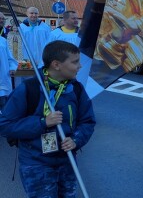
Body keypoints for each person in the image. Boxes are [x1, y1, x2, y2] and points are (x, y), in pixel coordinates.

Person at [0, 40, 96, 198]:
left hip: (67, 160)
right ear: (56, 65)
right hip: (36, 163)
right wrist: (42, 123)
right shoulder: (29, 89)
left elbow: (87, 121)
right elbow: (4, 125)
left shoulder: (76, 89)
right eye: (75, 62)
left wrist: (76, 140)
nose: (79, 66)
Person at [0, 33, 17, 111]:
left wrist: (12, 68)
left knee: (4, 109)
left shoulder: (3, 41)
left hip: (3, 80)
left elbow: (10, 59)